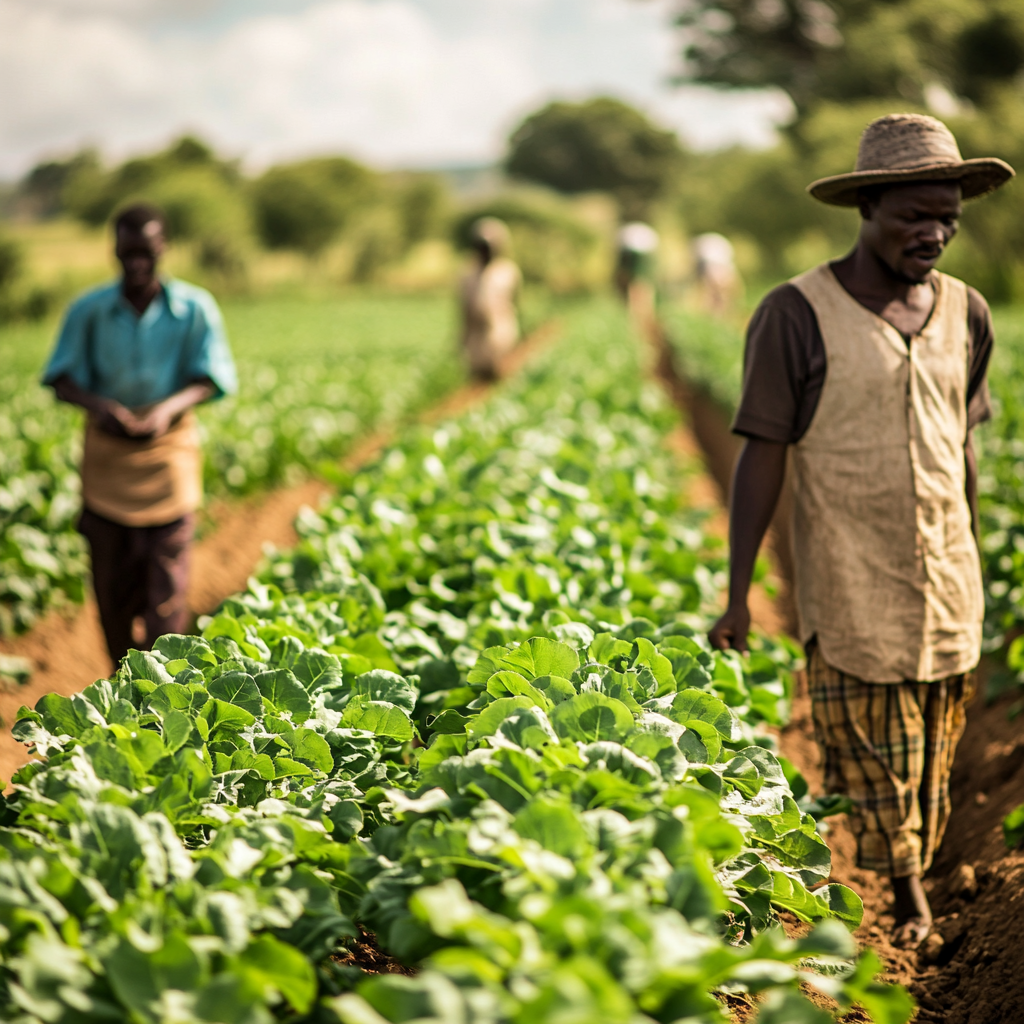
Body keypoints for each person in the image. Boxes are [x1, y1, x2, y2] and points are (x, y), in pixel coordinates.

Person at [708, 114, 1014, 948]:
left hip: (948, 577)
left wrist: (976, 551)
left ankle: (920, 863)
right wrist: (739, 595)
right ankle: (908, 895)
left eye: (948, 216)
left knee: (935, 751)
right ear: (868, 207)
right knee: (873, 755)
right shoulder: (795, 315)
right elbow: (762, 455)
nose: (936, 233)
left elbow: (963, 444)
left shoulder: (966, 313)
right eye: (915, 214)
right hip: (850, 576)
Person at [43, 203, 237, 666]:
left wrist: (167, 410)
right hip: (107, 460)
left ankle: (160, 693)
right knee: (112, 595)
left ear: (162, 248)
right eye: (127, 252)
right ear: (114, 250)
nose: (136, 263)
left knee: (166, 601)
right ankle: (122, 682)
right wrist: (103, 409)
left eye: (145, 252)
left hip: (169, 456)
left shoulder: (194, 308)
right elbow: (61, 378)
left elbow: (211, 378)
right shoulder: (88, 311)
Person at [459, 217, 521, 382]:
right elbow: (463, 307)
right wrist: (462, 336)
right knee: (476, 376)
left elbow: (515, 303)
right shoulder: (468, 274)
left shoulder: (507, 271)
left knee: (499, 375)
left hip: (500, 331)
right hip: (476, 334)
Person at [692, 231, 741, 315]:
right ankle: (711, 312)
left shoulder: (717, 258)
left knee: (714, 293)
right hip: (712, 262)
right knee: (713, 293)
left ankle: (711, 312)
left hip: (712, 261)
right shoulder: (716, 260)